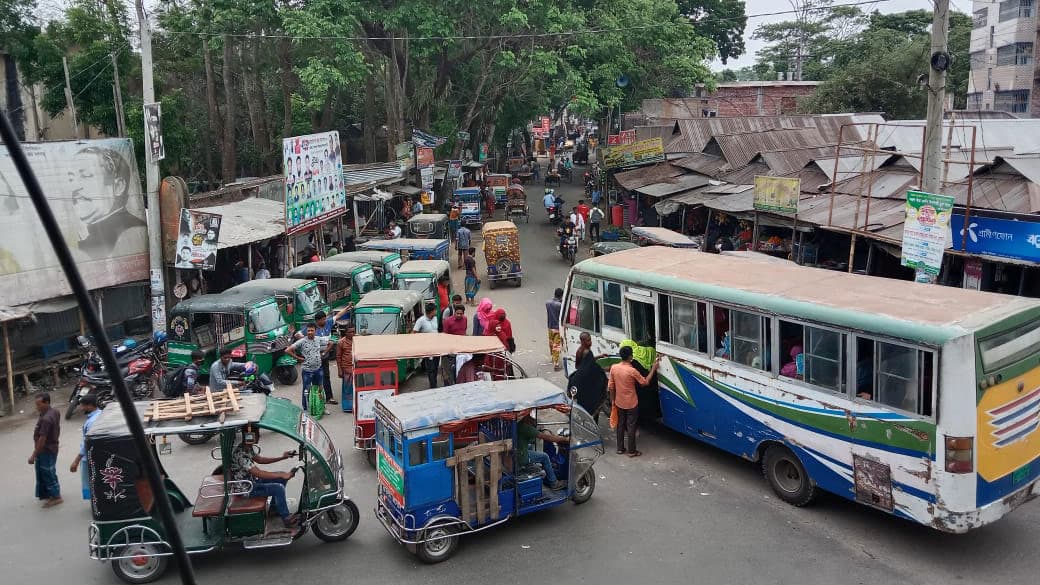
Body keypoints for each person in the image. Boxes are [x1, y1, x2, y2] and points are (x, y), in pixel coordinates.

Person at [229, 430, 299, 535]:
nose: (259, 436)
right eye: (256, 434)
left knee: (282, 478)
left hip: (252, 481)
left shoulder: (246, 448)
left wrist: (283, 457)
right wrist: (281, 474)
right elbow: (259, 473)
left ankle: (274, 510)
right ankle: (286, 518)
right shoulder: (241, 454)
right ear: (249, 436)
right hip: (246, 488)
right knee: (278, 488)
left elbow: (261, 460)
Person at [608, 346, 659, 457]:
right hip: (631, 403)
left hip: (619, 401)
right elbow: (645, 382)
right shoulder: (632, 371)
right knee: (631, 425)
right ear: (630, 356)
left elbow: (611, 386)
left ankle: (620, 448)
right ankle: (632, 451)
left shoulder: (614, 368)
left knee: (620, 425)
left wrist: (613, 401)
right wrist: (653, 369)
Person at [287, 323, 333, 411]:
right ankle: (306, 409)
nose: (310, 332)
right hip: (307, 371)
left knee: (319, 388)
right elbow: (288, 350)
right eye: (308, 330)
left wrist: (324, 353)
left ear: (316, 331)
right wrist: (298, 358)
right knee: (306, 390)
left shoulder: (318, 339)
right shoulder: (302, 341)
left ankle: (321, 407)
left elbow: (330, 343)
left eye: (312, 330)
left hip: (318, 369)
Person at [517, 414, 568, 490]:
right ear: (526, 417)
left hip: (517, 452)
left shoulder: (519, 425)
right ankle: (554, 483)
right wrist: (564, 439)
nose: (532, 419)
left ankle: (538, 467)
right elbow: (549, 438)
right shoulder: (526, 428)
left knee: (531, 446)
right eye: (530, 417)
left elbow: (533, 437)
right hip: (521, 456)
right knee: (544, 456)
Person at [29, 392, 62, 507]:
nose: (36, 407)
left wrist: (33, 455)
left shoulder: (46, 419)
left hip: (46, 450)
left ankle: (56, 497)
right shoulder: (54, 412)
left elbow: (42, 439)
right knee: (48, 471)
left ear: (47, 402)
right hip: (52, 447)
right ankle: (50, 492)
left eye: (39, 405)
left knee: (47, 472)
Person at [69, 394, 101, 501]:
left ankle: (95, 501)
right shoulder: (99, 414)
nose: (81, 408)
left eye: (83, 406)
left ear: (90, 406)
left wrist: (76, 461)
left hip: (89, 456)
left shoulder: (92, 422)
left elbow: (86, 443)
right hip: (96, 454)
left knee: (90, 481)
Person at [570, 332, 608, 421]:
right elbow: (587, 365)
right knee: (593, 405)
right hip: (587, 383)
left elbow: (582, 364)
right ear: (582, 341)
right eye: (588, 340)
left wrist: (599, 356)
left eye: (590, 340)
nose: (590, 342)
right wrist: (605, 369)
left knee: (584, 407)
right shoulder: (584, 352)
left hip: (583, 382)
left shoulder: (582, 350)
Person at [412, 303, 440, 388]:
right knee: (430, 368)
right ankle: (433, 386)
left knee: (435, 366)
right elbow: (414, 333)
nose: (436, 311)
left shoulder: (435, 318)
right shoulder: (421, 320)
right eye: (435, 310)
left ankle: (434, 382)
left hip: (437, 347)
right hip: (428, 348)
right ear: (431, 311)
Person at [335, 324, 355, 412]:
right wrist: (339, 370)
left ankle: (356, 405)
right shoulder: (341, 342)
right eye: (350, 332)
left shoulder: (358, 340)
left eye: (354, 332)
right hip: (346, 368)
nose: (352, 334)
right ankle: (348, 407)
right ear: (346, 333)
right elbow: (338, 357)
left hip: (357, 368)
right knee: (347, 388)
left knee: (356, 387)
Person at [545, 288, 564, 370]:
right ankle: (556, 364)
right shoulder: (560, 305)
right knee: (556, 345)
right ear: (561, 296)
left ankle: (553, 357)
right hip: (557, 328)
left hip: (550, 326)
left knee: (551, 343)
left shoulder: (548, 303)